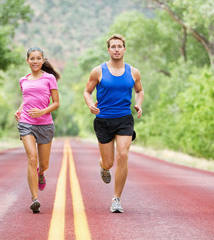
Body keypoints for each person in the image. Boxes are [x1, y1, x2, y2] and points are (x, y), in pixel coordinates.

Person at [84, 34, 144, 213]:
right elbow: (87, 92)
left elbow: (139, 91)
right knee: (109, 162)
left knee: (123, 156)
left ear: (124, 49)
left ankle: (116, 199)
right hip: (103, 120)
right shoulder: (98, 71)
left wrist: (138, 104)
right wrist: (90, 105)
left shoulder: (133, 72)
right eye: (113, 46)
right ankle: (103, 166)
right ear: (108, 50)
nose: (117, 49)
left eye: (120, 46)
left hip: (124, 118)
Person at [15, 47, 60, 213]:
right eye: (32, 58)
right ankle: (34, 198)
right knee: (32, 159)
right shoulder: (23, 80)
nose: (35, 61)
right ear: (27, 60)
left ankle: (41, 174)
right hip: (26, 123)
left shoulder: (49, 78)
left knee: (44, 164)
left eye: (38, 58)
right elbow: (27, 99)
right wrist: (20, 109)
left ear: (43, 60)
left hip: (45, 124)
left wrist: (42, 111)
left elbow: (56, 103)